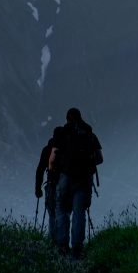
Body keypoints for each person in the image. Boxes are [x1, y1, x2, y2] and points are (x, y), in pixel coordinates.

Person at [52, 107, 103, 259]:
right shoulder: (90, 134)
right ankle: (77, 248)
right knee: (79, 212)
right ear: (81, 118)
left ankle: (62, 246)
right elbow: (100, 158)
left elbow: (53, 158)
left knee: (62, 210)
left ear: (67, 118)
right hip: (84, 178)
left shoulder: (62, 133)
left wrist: (55, 172)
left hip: (65, 177)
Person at [34, 131, 62, 242]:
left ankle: (52, 241)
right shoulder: (67, 147)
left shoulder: (47, 149)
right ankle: (63, 242)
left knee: (52, 213)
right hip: (66, 186)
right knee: (63, 213)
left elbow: (40, 169)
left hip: (51, 185)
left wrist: (37, 188)